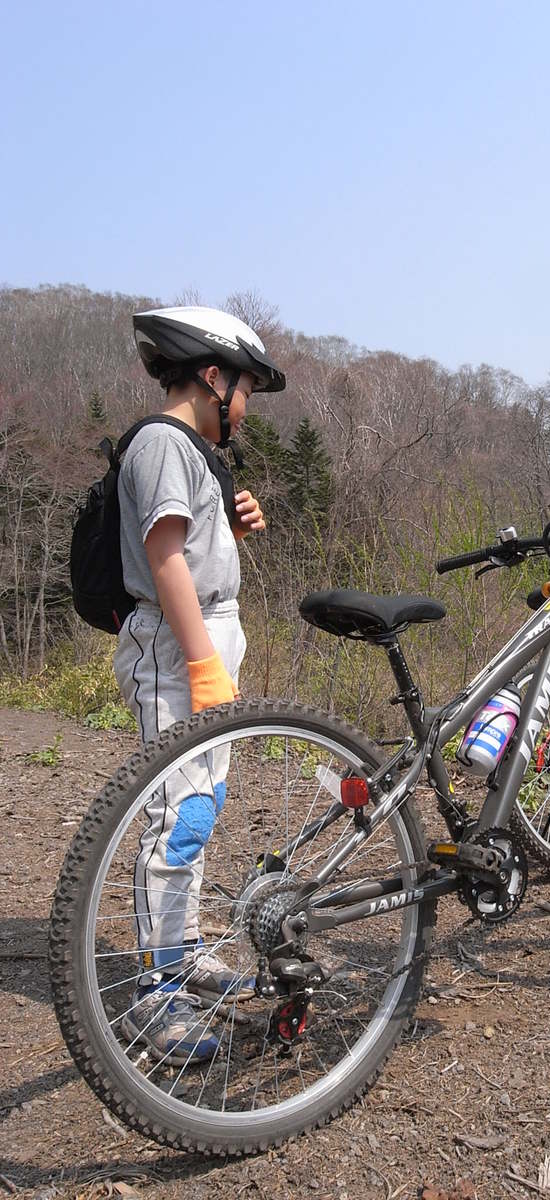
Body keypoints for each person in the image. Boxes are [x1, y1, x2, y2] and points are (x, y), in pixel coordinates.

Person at [113, 305, 285, 1064]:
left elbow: (192, 547)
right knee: (177, 813)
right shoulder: (158, 443)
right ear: (213, 378)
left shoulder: (191, 451)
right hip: (177, 645)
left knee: (202, 806)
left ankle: (179, 953)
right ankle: (157, 998)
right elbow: (163, 562)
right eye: (244, 390)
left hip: (207, 633)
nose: (244, 408)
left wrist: (235, 528)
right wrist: (201, 663)